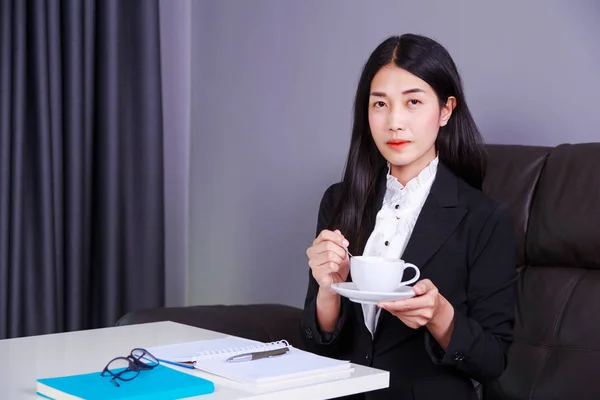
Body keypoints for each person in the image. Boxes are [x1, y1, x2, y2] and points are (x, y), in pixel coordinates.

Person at [300, 33, 518, 400]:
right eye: (380, 104)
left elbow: (493, 360)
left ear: (446, 110)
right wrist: (327, 290)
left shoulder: (484, 218)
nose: (394, 122)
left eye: (413, 102)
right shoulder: (340, 201)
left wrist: (439, 317)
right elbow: (317, 345)